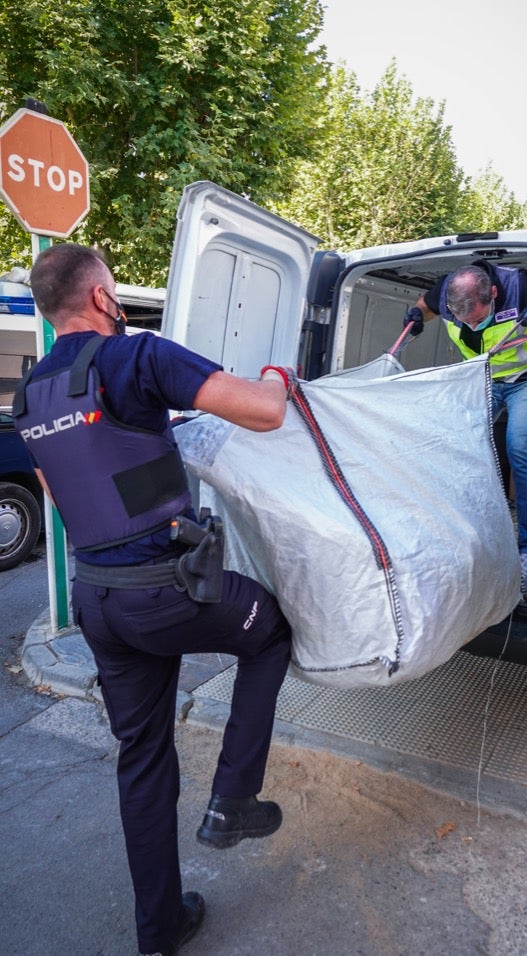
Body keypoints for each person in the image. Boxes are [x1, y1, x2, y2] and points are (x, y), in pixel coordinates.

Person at [13, 244, 294, 956]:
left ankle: (160, 930)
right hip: (166, 593)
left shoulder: (32, 392)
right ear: (104, 297)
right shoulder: (138, 357)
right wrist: (275, 375)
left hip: (99, 604)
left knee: (141, 759)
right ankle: (233, 796)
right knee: (268, 632)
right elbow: (263, 413)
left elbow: (60, 489)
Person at [403, 261, 527, 601]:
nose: (473, 325)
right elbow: (425, 306)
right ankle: (459, 541)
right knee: (456, 443)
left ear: (493, 293)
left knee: (519, 448)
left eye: (478, 318)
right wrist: (418, 316)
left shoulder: (522, 285)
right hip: (482, 379)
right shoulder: (448, 287)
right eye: (464, 320)